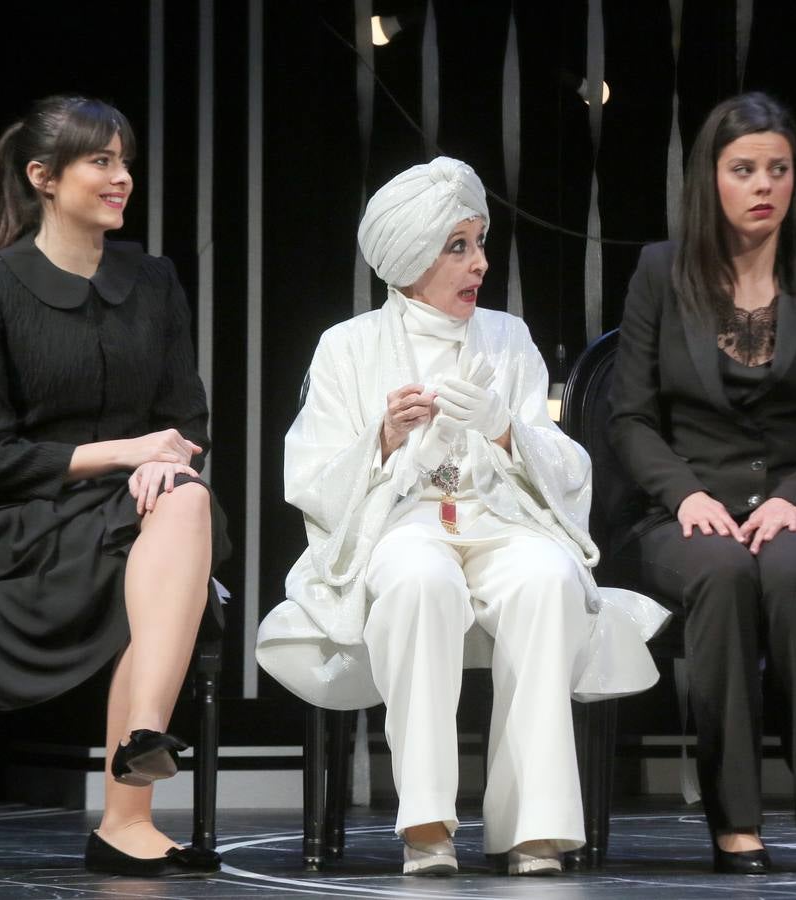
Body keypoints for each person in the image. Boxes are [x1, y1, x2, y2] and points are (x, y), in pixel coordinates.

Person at [256, 157, 666, 876]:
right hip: (402, 524)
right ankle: (426, 824)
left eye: (479, 243)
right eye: (458, 247)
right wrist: (383, 441)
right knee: (420, 582)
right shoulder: (346, 349)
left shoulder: (507, 339)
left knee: (545, 578)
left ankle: (535, 825)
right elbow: (313, 482)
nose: (479, 263)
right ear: (410, 254)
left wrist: (507, 428)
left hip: (500, 521)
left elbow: (568, 471)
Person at [0, 95, 230, 878]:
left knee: (186, 498)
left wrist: (164, 459)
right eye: (102, 161)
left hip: (130, 508)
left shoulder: (154, 281)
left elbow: (185, 417)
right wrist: (133, 451)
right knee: (163, 539)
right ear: (43, 178)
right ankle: (131, 800)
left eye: (124, 161)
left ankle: (137, 760)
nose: (122, 176)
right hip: (18, 520)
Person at [608, 92, 796, 876]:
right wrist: (686, 494)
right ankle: (735, 821)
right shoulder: (662, 271)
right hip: (678, 512)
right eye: (743, 170)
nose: (764, 185)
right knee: (724, 576)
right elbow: (631, 418)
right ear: (711, 180)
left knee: (794, 578)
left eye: (779, 169)